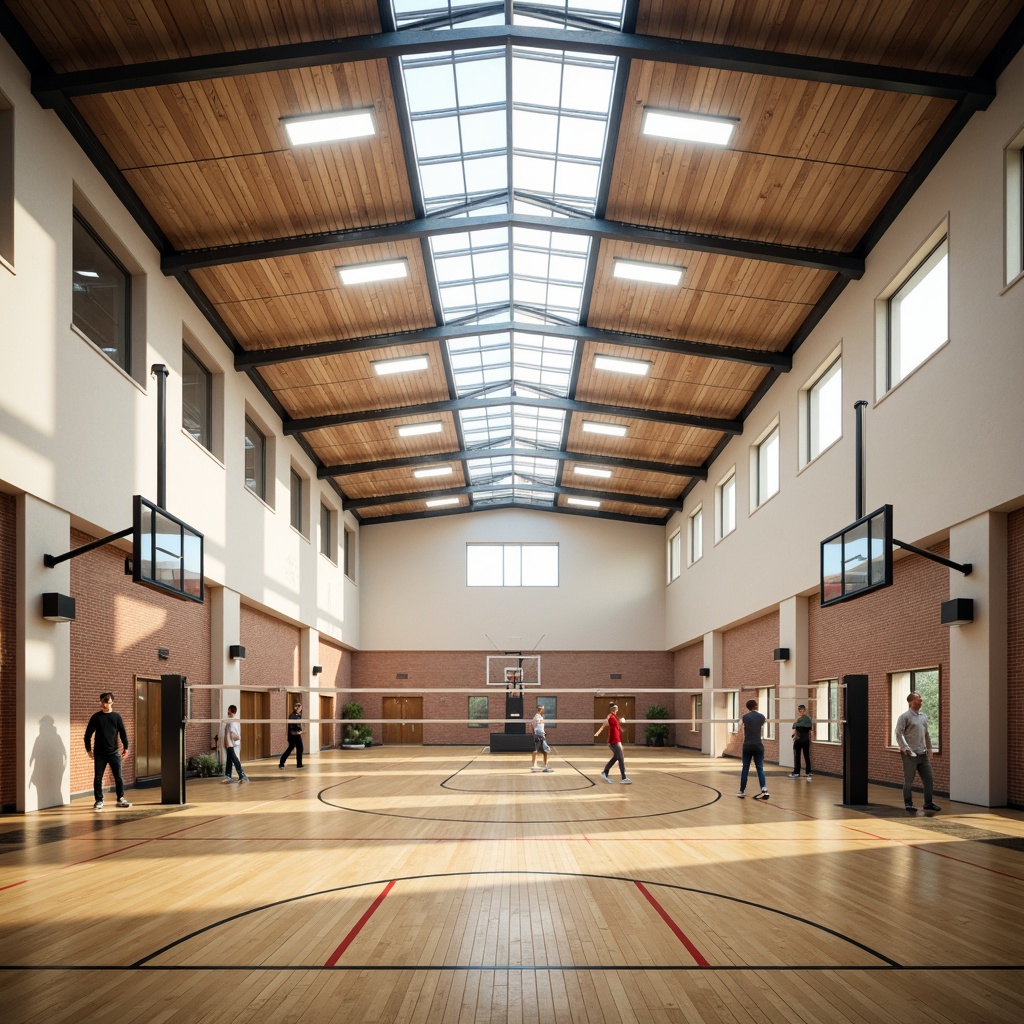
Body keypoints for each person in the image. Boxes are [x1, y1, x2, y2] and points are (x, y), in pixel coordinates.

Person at [84, 692, 131, 811]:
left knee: (118, 777)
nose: (103, 704)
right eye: (102, 701)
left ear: (112, 702)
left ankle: (120, 797)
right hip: (100, 753)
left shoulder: (116, 717)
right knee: (98, 778)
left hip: (114, 752)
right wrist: (88, 750)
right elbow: (87, 735)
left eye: (106, 702)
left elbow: (123, 734)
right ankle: (99, 800)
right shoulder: (96, 717)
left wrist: (126, 747)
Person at [895, 691, 941, 813]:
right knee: (909, 780)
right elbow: (899, 733)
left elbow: (926, 734)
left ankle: (928, 803)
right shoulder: (904, 717)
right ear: (911, 702)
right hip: (910, 754)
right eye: (918, 699)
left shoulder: (923, 716)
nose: (920, 701)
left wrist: (930, 749)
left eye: (921, 699)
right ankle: (908, 804)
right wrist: (905, 748)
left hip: (923, 754)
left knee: (929, 779)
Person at [738, 698, 769, 800]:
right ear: (756, 706)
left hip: (747, 745)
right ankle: (764, 789)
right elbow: (763, 722)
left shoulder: (745, 717)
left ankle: (742, 791)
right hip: (758, 745)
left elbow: (739, 724)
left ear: (748, 707)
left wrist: (742, 717)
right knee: (760, 768)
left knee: (745, 768)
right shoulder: (762, 717)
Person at [595, 702, 631, 784]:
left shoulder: (614, 717)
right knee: (621, 758)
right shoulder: (611, 717)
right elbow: (609, 721)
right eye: (616, 708)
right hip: (614, 741)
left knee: (616, 757)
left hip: (616, 741)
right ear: (614, 709)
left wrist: (620, 721)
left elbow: (616, 724)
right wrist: (620, 720)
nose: (617, 710)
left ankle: (605, 772)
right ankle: (623, 777)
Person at [222, 705, 249, 783]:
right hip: (228, 744)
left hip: (230, 744)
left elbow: (233, 733)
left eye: (228, 710)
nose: (227, 711)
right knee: (229, 760)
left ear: (231, 710)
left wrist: (229, 742)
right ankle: (228, 775)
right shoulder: (230, 721)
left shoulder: (232, 721)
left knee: (234, 759)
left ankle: (242, 775)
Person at [278, 699, 305, 769]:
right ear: (297, 708)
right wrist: (300, 730)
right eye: (300, 707)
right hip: (293, 735)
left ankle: (299, 764)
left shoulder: (299, 715)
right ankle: (282, 762)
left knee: (299, 749)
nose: (300, 709)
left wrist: (301, 730)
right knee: (291, 748)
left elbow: (299, 724)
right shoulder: (292, 716)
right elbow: (293, 726)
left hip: (297, 734)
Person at [789, 703, 813, 779]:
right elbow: (811, 731)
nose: (799, 712)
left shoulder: (798, 720)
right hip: (806, 740)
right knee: (806, 756)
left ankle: (796, 772)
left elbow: (794, 729)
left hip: (799, 741)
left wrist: (793, 736)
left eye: (800, 710)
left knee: (797, 757)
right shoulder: (809, 719)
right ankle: (808, 771)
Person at [530, 704, 553, 772]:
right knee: (536, 750)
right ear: (541, 709)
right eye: (543, 709)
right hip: (539, 736)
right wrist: (535, 734)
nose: (544, 710)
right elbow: (531, 724)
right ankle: (534, 765)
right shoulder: (537, 717)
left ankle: (545, 765)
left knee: (545, 752)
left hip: (542, 736)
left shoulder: (540, 717)